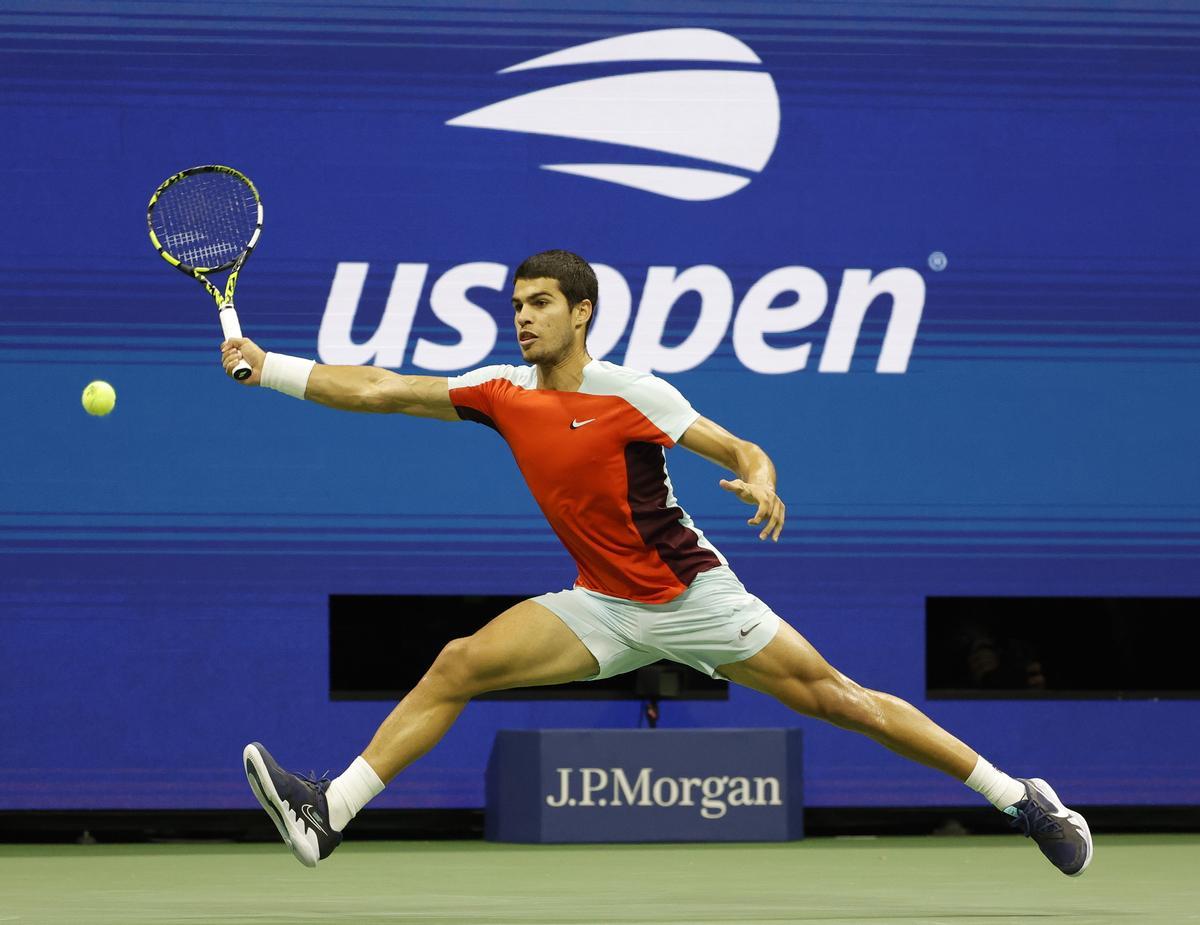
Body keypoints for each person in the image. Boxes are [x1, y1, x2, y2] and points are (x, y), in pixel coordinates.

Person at [221, 249, 1092, 876]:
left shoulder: (633, 393)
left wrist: (759, 479)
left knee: (842, 700)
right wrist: (269, 370)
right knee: (459, 663)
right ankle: (329, 810)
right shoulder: (501, 394)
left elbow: (741, 446)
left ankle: (1021, 796)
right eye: (516, 303)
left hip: (691, 595)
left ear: (580, 312)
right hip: (603, 603)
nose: (521, 316)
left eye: (538, 303)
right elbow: (382, 388)